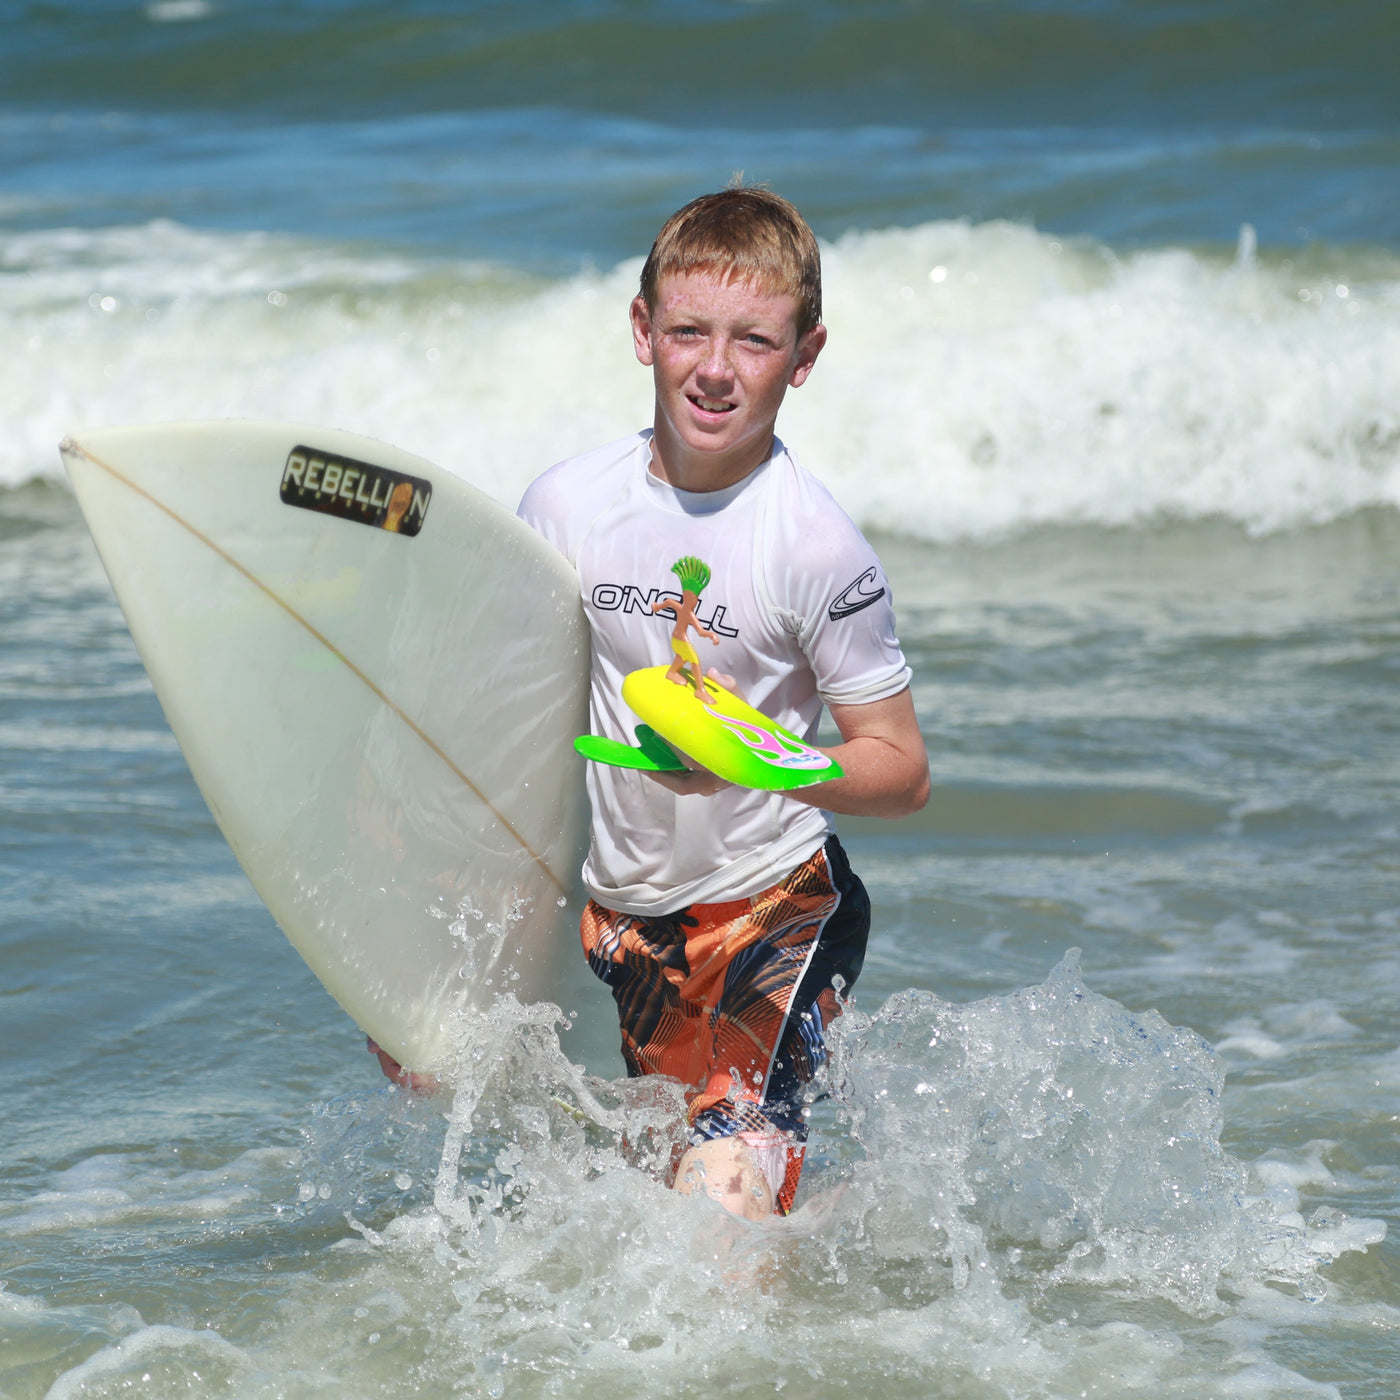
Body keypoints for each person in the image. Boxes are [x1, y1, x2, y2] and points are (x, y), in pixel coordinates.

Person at [514, 187, 930, 1219]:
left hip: (778, 908)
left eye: (753, 340)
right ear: (642, 329)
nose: (713, 367)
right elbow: (501, 725)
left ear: (804, 353)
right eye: (688, 330)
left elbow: (900, 766)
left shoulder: (814, 544)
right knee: (637, 1220)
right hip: (628, 927)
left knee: (716, 1207)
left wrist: (764, 761)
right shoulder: (565, 505)